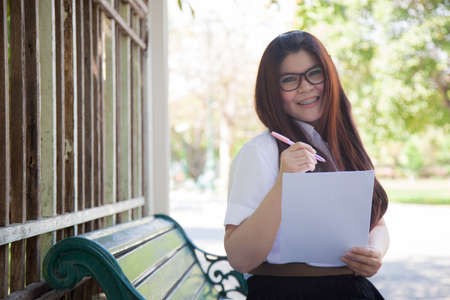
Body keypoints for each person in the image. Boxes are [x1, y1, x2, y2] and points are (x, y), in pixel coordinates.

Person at [223, 30, 389, 299]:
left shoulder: (338, 144)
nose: (306, 87)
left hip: (352, 290)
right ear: (272, 91)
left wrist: (375, 252)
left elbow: (376, 223)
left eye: (315, 73)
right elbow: (240, 257)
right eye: (289, 80)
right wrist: (284, 181)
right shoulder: (260, 152)